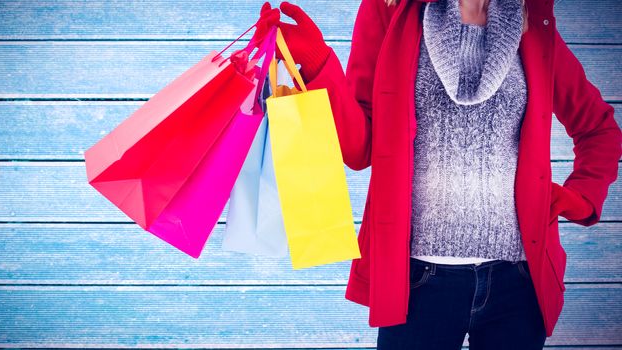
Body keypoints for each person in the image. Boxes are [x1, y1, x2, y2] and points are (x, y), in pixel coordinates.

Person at [255, 0, 622, 349]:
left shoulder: (533, 20)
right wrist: (321, 66)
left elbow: (599, 129)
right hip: (418, 281)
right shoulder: (391, 10)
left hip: (519, 282)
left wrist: (580, 196)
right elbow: (360, 149)